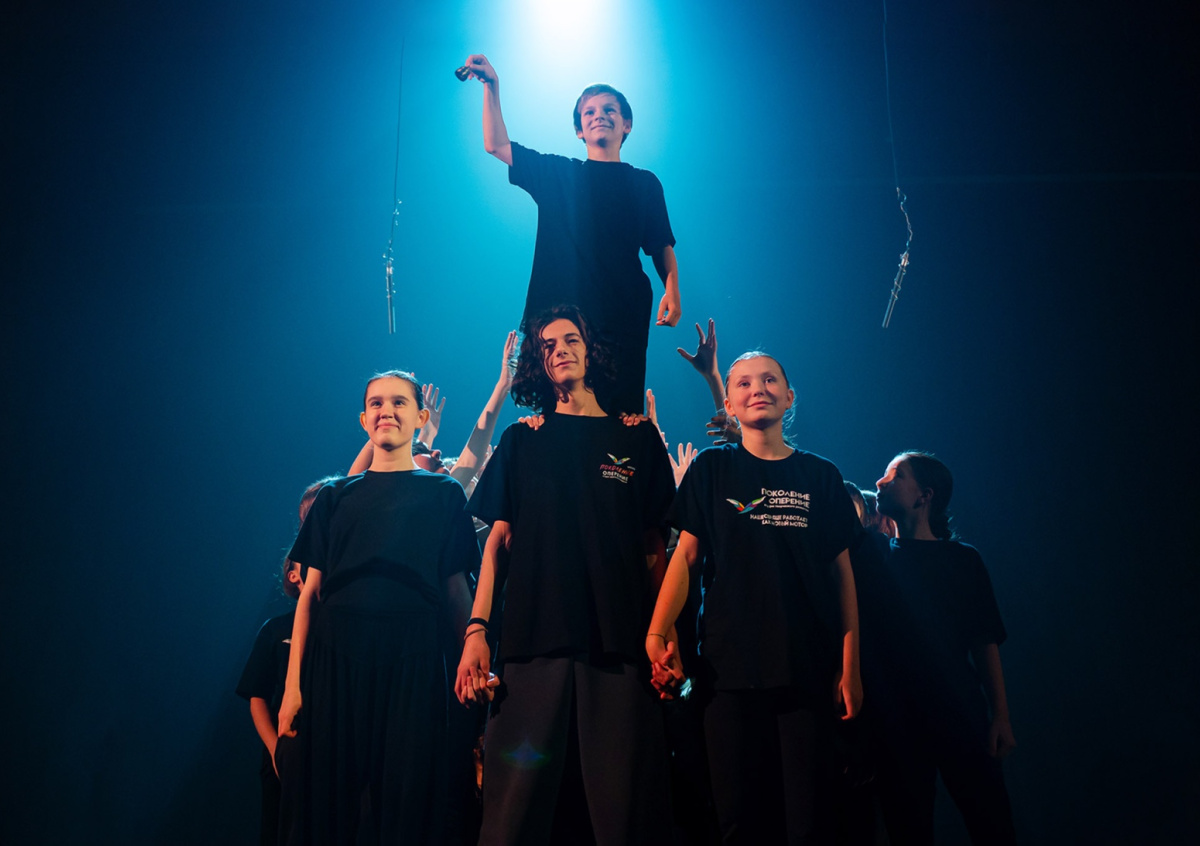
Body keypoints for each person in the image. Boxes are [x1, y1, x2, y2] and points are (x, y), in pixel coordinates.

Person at [456, 304, 676, 845]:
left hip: (619, 647)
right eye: (548, 345)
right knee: (511, 821)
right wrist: (476, 630)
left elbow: (655, 550)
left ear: (589, 349)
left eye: (570, 339)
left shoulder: (636, 439)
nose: (560, 351)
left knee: (625, 819)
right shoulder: (522, 439)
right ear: (539, 361)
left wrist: (665, 635)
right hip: (532, 646)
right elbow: (497, 545)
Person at [646, 351, 863, 844]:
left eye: (769, 380)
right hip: (728, 675)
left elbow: (843, 577)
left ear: (789, 396)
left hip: (806, 672)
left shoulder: (821, 476)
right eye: (743, 383)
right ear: (729, 403)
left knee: (808, 825)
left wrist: (849, 667)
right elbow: (685, 557)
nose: (757, 389)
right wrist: (658, 631)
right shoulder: (712, 468)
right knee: (739, 823)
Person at [276, 371, 479, 845]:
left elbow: (455, 589)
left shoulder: (443, 494)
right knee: (329, 808)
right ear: (364, 420)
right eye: (376, 403)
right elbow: (310, 596)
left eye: (399, 402)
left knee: (408, 803)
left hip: (414, 658)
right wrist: (292, 688)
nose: (387, 410)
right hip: (337, 659)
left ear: (421, 417)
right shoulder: (334, 497)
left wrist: (473, 647)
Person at [461, 54, 681, 415]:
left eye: (609, 109)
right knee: (560, 412)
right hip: (563, 312)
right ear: (579, 129)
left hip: (621, 311)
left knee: (618, 415)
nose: (599, 115)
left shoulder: (644, 183)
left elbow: (660, 243)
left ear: (626, 124)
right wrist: (492, 86)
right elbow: (496, 145)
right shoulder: (558, 173)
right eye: (589, 112)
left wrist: (672, 289)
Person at [864, 452, 1017, 845]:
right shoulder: (874, 555)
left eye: (895, 475)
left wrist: (1000, 716)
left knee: (992, 825)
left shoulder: (963, 561)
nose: (880, 482)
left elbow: (984, 641)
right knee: (909, 830)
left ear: (925, 495)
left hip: (959, 710)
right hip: (898, 721)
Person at [236, 478, 334, 846]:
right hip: (287, 748)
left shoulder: (340, 624)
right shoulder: (276, 629)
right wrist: (276, 749)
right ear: (293, 574)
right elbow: (256, 695)